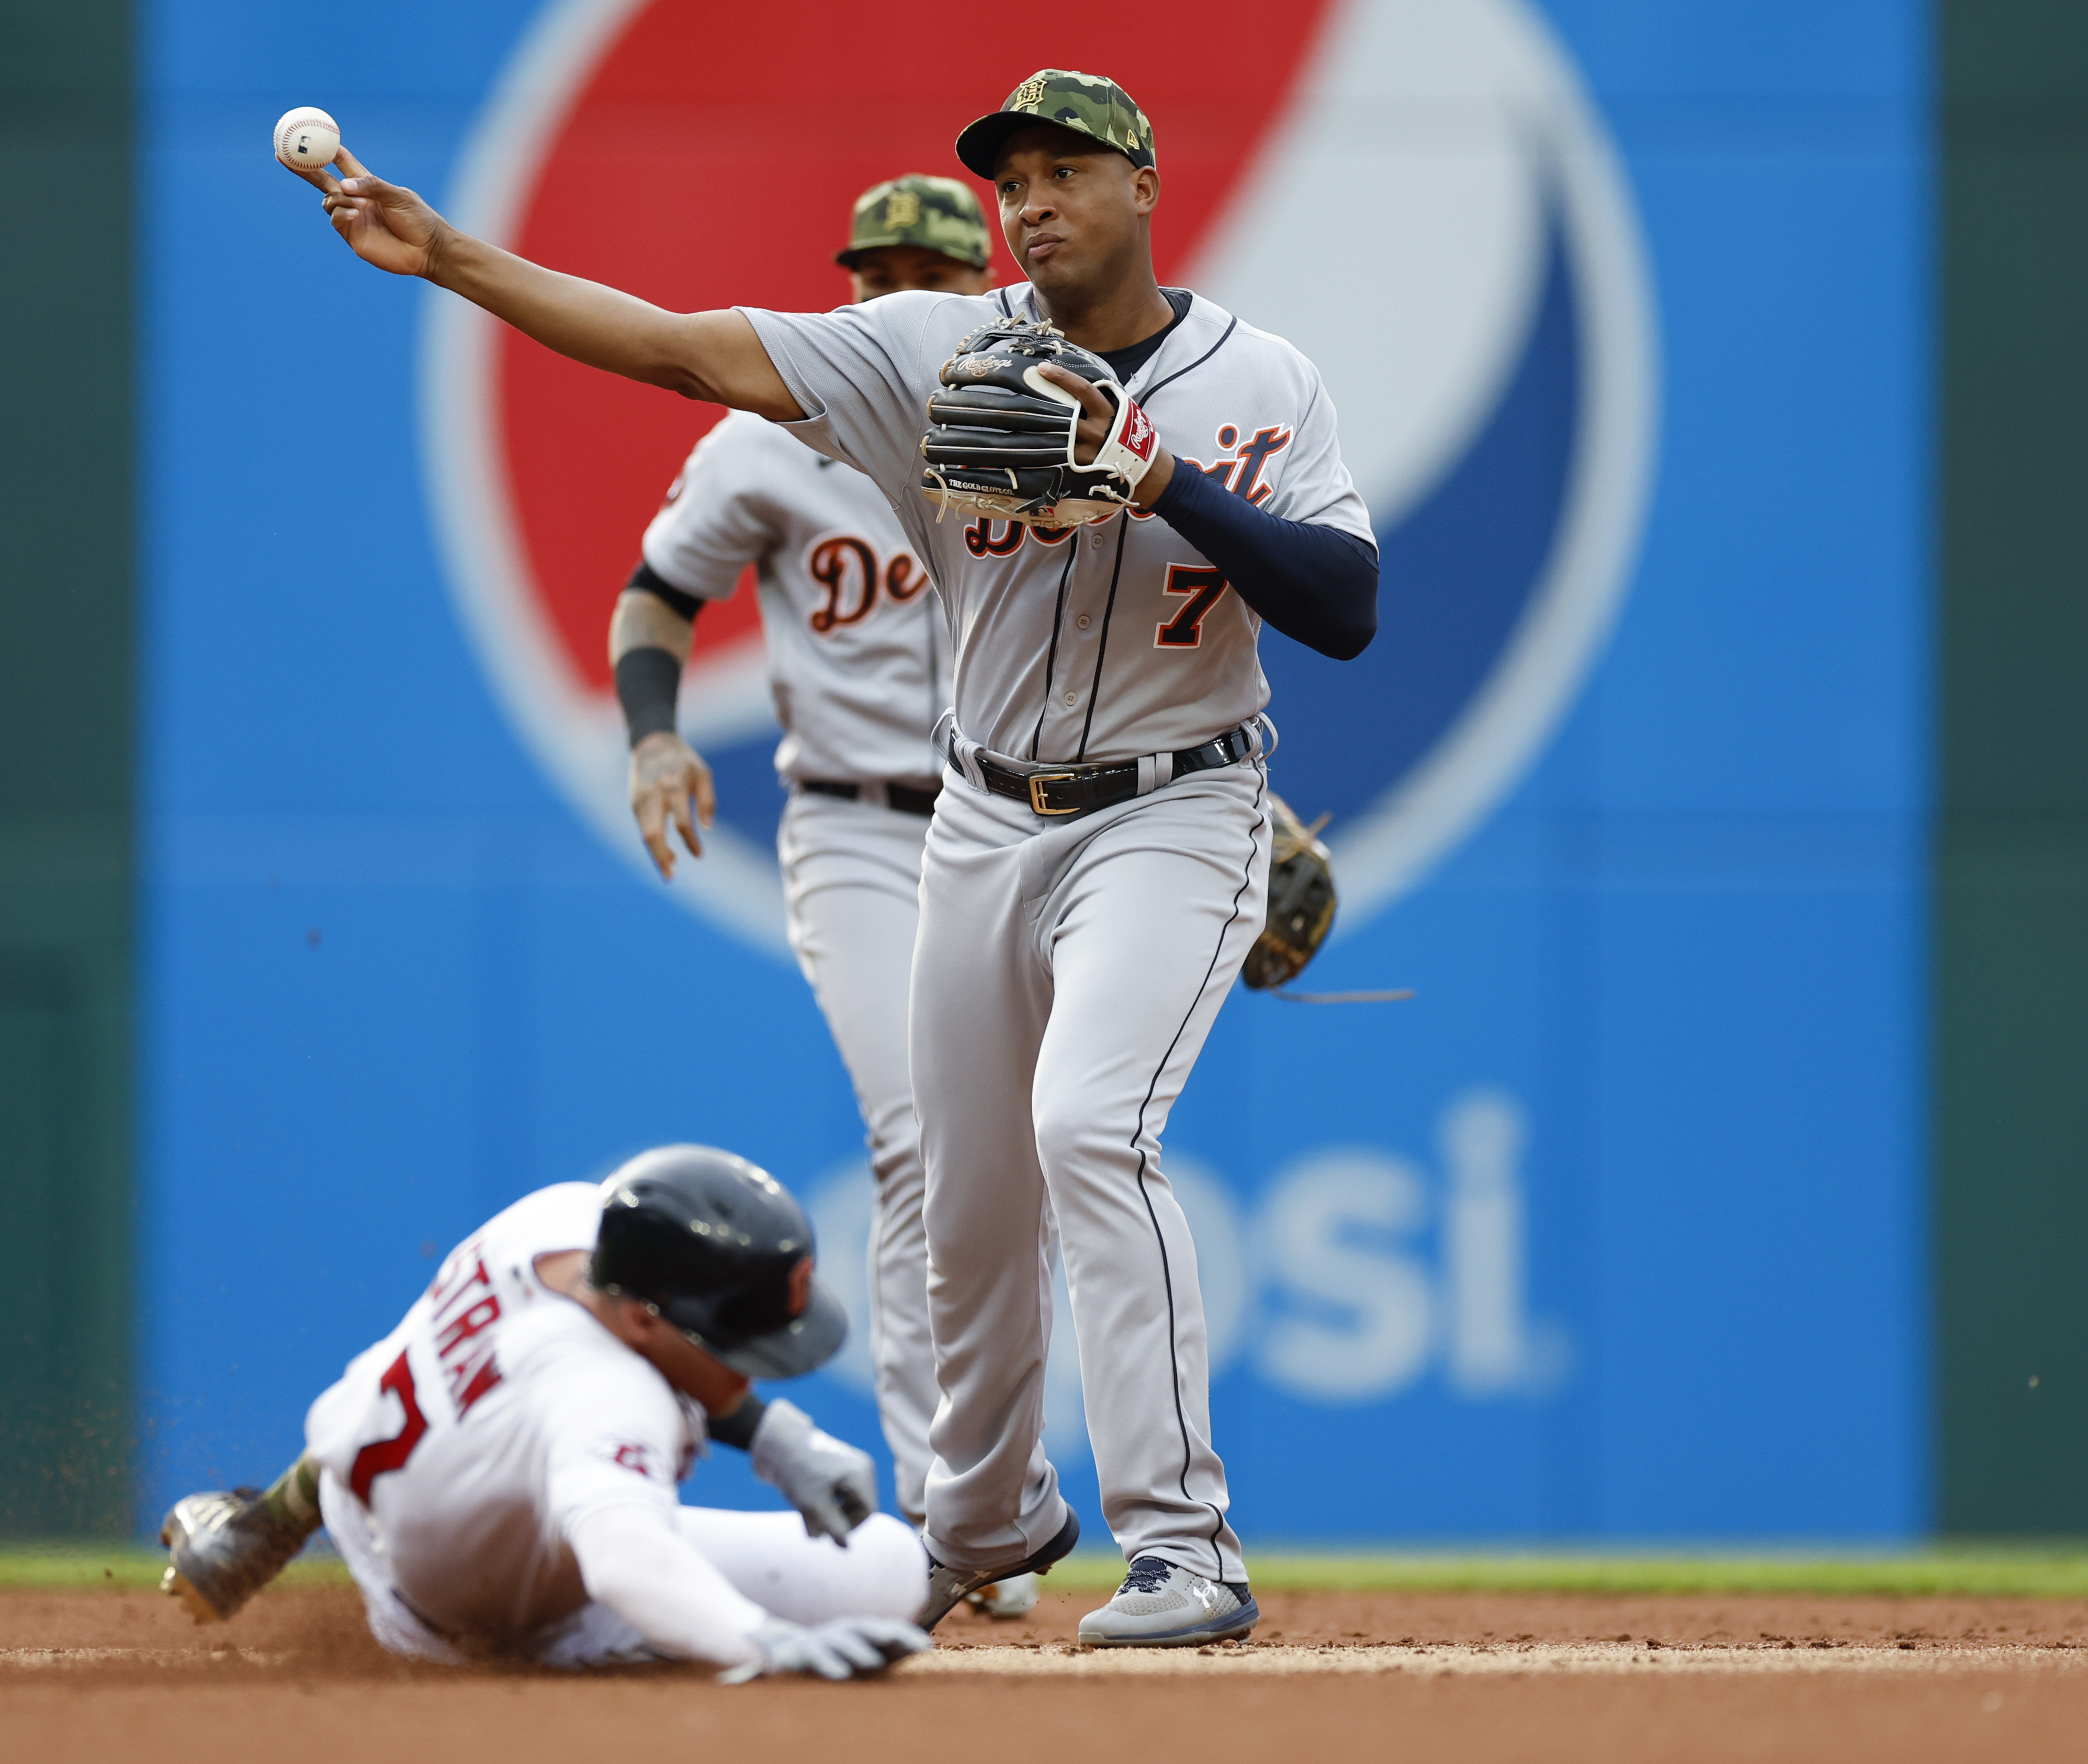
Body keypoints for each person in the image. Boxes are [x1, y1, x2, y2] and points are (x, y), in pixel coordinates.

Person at [288, 67, 1379, 1648]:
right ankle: (985, 1514)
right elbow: (671, 347)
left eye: (1067, 167)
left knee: (1087, 1125)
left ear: (1144, 184)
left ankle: (1184, 1544)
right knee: (966, 1187)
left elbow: (1344, 606)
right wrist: (452, 254)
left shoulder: (1258, 376)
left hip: (1177, 804)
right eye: (1013, 178)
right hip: (980, 816)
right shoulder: (933, 350)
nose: (1035, 198)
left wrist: (1159, 477)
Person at [609, 173, 1031, 1621]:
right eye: (880, 273)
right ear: (846, 287)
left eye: (934, 273)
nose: (899, 296)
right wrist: (656, 731)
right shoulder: (764, 441)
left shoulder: (1040, 432)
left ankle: (982, 1491)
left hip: (1012, 820)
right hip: (853, 827)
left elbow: (1145, 639)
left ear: (986, 291)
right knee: (919, 1139)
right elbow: (658, 591)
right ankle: (946, 1517)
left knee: (1021, 1157)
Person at [157, 1147, 930, 1680]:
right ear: (638, 1321)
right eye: (733, 1344)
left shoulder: (557, 1223)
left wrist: (768, 1433)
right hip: (482, 1621)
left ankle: (260, 1522)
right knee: (889, 1570)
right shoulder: (609, 1394)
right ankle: (591, 1656)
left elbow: (376, 1390)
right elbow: (627, 1563)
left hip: (383, 1491)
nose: (746, 1366)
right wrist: (761, 1641)